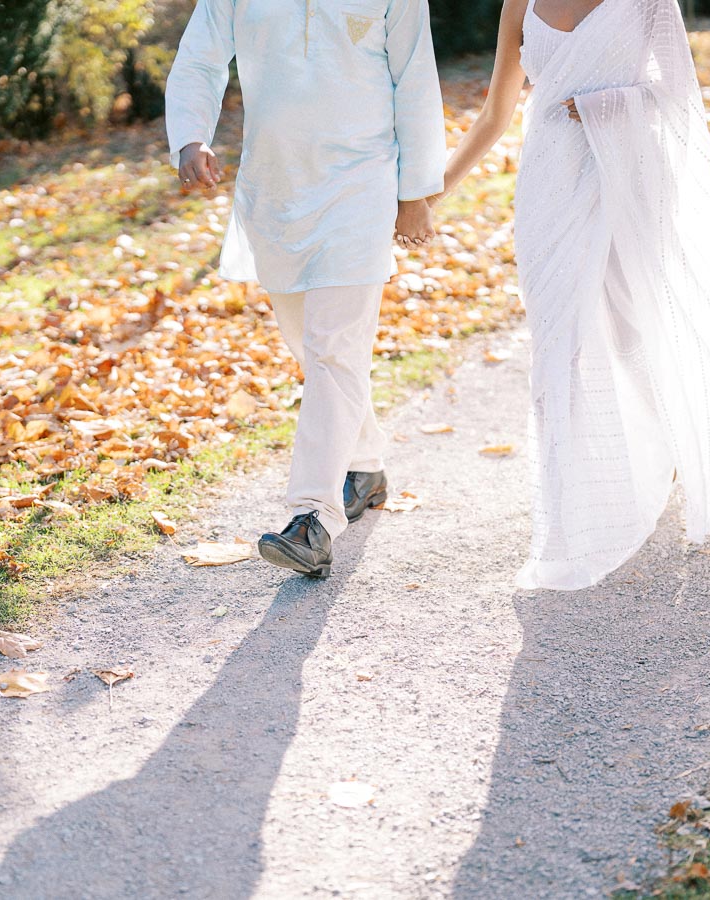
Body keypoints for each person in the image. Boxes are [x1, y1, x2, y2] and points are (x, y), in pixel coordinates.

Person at [432, 0, 710, 590]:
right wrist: (429, 197)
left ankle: (666, 453)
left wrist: (604, 106)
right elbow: (494, 115)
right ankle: (567, 515)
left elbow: (680, 95)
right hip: (550, 181)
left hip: (633, 175)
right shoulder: (519, 5)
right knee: (558, 340)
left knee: (637, 328)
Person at [166, 0, 447, 577]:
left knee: (333, 350)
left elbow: (415, 79)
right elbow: (200, 56)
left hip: (363, 184)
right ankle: (364, 466)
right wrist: (190, 135)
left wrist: (416, 191)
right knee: (312, 350)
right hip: (276, 193)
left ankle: (311, 519)